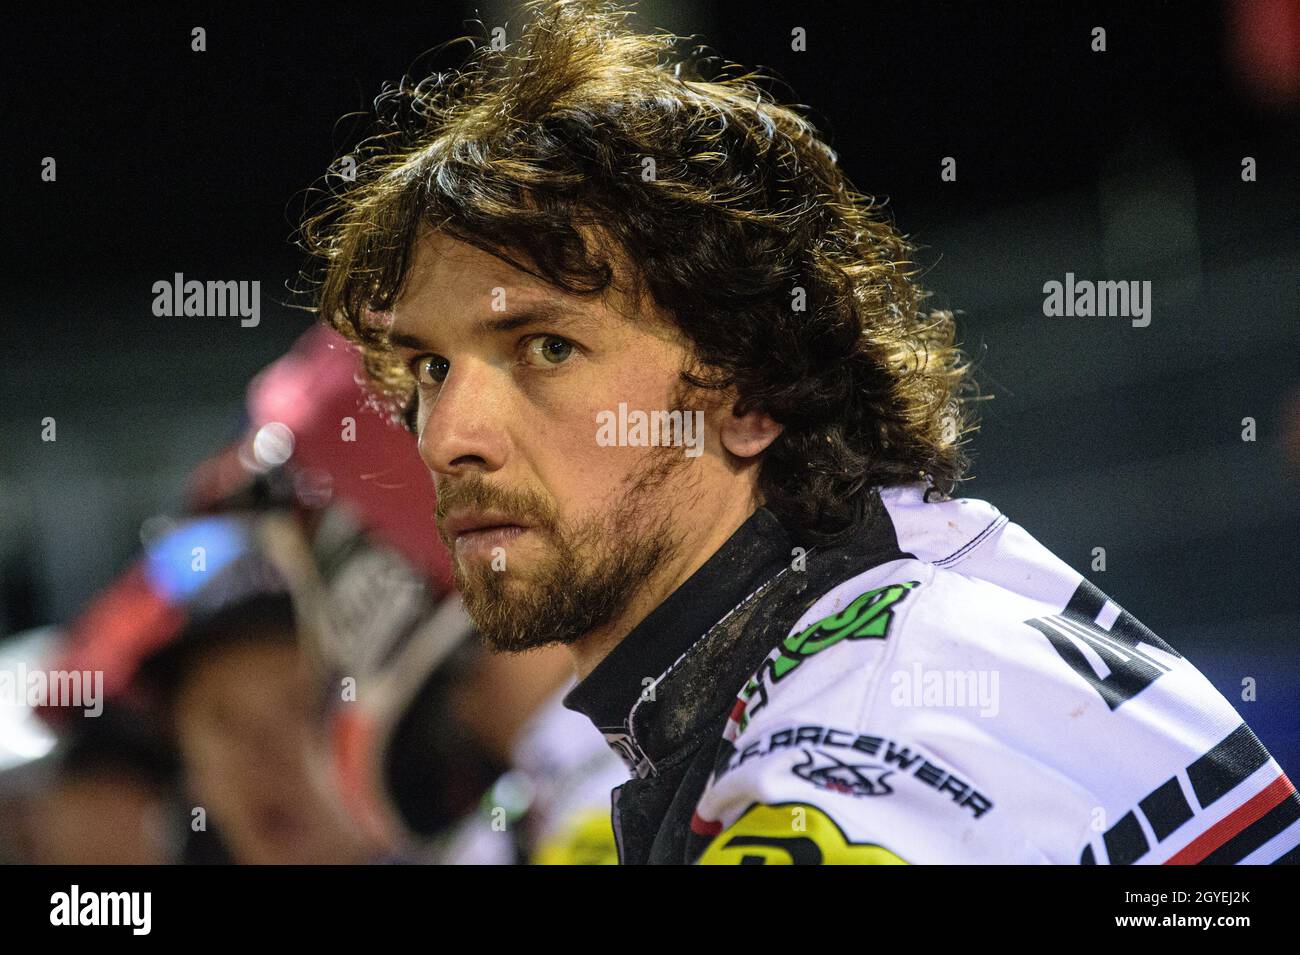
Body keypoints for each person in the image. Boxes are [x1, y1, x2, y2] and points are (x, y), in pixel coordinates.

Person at [302, 0, 1299, 864]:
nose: (445, 437)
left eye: (545, 347)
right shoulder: (891, 603)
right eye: (431, 367)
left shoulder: (838, 754)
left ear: (751, 398)